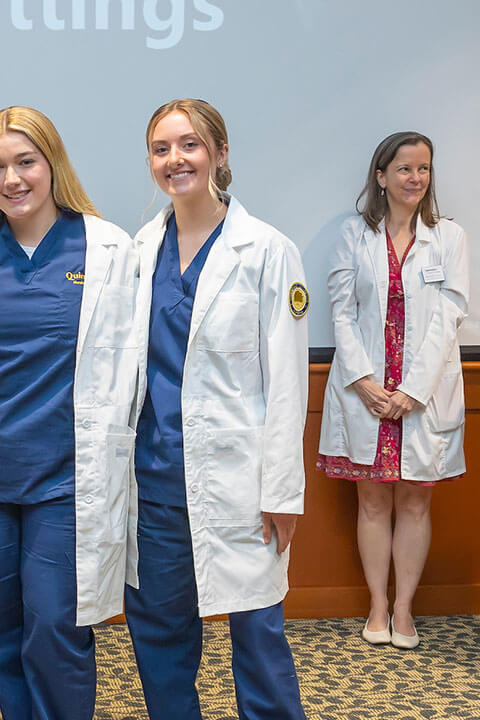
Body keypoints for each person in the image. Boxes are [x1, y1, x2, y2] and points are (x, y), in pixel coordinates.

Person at [0, 106, 139, 720]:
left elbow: (131, 359)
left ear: (53, 165)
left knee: (55, 624)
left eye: (26, 162)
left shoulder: (107, 247)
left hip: (68, 477)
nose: (12, 179)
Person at [127, 98, 308, 720]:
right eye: (161, 149)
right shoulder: (139, 251)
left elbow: (287, 380)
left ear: (220, 154)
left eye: (189, 145)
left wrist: (282, 491)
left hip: (239, 480)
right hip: (154, 478)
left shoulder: (266, 250)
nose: (175, 160)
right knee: (159, 634)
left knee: (257, 636)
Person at [317, 131, 468, 650]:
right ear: (381, 176)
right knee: (374, 503)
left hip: (419, 397)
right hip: (368, 394)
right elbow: (341, 310)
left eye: (423, 169)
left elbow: (450, 314)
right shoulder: (353, 234)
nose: (415, 179)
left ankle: (405, 608)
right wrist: (364, 381)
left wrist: (414, 390)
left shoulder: (448, 236)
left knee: (415, 503)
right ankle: (377, 607)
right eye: (404, 169)